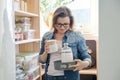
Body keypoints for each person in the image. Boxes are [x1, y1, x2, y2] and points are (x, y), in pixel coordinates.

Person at [39, 6, 92, 80]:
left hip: (70, 77)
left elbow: (87, 58)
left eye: (66, 24)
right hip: (50, 76)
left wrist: (83, 64)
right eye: (59, 24)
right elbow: (41, 60)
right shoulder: (47, 36)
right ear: (54, 23)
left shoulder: (77, 36)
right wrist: (45, 52)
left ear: (70, 23)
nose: (62, 27)